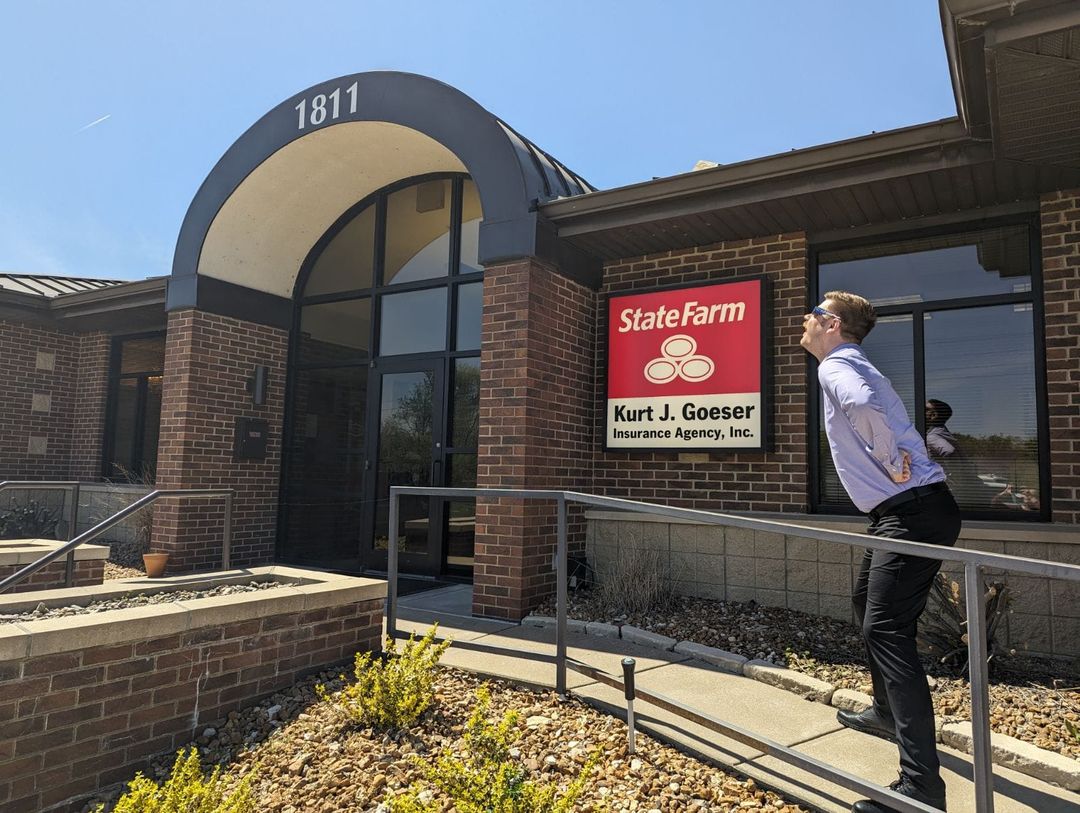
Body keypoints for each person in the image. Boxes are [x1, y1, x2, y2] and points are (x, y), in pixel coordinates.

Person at [802, 291, 961, 813]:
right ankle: (886, 712)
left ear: (831, 324)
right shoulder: (852, 362)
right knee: (865, 604)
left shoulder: (835, 365)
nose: (805, 318)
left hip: (911, 511)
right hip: (906, 511)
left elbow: (862, 406)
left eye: (814, 313)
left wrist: (891, 461)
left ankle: (921, 790)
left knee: (888, 630)